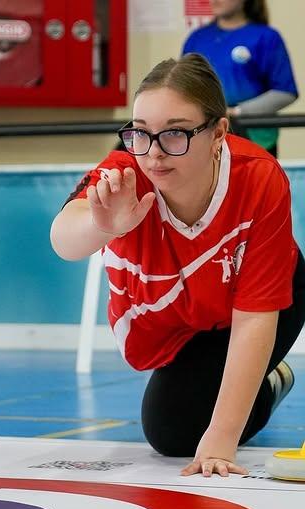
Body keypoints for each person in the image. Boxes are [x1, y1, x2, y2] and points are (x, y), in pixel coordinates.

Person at [50, 54, 305, 478]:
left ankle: (264, 372)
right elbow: (63, 239)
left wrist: (223, 438)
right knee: (170, 432)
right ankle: (271, 379)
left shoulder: (259, 177)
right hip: (181, 329)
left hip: (254, 305)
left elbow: (256, 314)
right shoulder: (124, 173)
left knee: (203, 435)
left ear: (218, 133)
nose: (154, 153)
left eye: (175, 133)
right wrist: (102, 226)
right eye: (141, 133)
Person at [182, 0, 298, 157]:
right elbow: (182, 87)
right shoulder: (197, 38)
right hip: (206, 139)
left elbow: (285, 92)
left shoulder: (266, 37)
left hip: (257, 140)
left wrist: (237, 112)